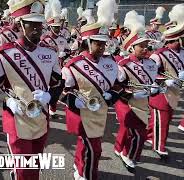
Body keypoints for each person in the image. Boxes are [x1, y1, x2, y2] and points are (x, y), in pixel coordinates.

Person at [0, 0, 63, 179]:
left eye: (39, 23)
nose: (37, 28)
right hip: (17, 118)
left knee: (35, 164)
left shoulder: (50, 53)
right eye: (31, 23)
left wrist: (49, 96)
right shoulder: (3, 54)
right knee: (23, 169)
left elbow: (59, 83)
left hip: (41, 117)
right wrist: (8, 101)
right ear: (20, 24)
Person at [61, 0, 118, 179]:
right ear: (88, 42)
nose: (102, 47)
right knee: (94, 148)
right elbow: (63, 92)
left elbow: (118, 86)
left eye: (104, 43)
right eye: (98, 43)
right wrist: (74, 100)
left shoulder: (110, 63)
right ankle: (87, 174)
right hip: (83, 113)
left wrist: (112, 96)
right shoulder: (73, 65)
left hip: (100, 111)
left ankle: (79, 168)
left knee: (85, 145)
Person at [114, 10, 159, 172]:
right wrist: (131, 93)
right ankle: (128, 155)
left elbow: (154, 81)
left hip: (142, 102)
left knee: (126, 128)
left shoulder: (150, 64)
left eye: (146, 45)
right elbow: (115, 86)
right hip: (125, 101)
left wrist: (154, 88)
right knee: (138, 132)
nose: (145, 49)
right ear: (132, 47)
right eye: (141, 46)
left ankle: (118, 148)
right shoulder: (123, 64)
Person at [147, 4, 184, 158]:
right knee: (163, 120)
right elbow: (148, 75)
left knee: (164, 118)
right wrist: (166, 80)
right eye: (180, 38)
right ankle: (159, 145)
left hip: (175, 92)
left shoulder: (182, 52)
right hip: (160, 92)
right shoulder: (158, 55)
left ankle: (149, 136)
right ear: (173, 39)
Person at [41, 0, 70, 118]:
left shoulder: (63, 39)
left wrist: (65, 54)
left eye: (58, 27)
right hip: (47, 68)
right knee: (47, 90)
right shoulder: (44, 39)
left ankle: (52, 109)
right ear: (50, 27)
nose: (58, 29)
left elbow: (69, 50)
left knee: (57, 91)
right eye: (55, 27)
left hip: (60, 68)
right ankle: (46, 110)